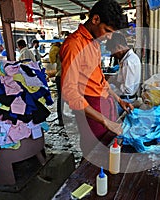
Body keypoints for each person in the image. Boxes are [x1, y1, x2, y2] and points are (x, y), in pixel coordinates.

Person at [59, 0, 132, 155]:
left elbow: (99, 79)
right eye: (107, 30)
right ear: (95, 19)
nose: (109, 37)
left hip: (105, 102)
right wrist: (104, 121)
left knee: (110, 147)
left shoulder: (95, 43)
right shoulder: (74, 45)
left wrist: (119, 100)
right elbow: (70, 92)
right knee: (94, 151)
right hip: (90, 109)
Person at [105, 32, 141, 115]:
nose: (112, 54)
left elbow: (128, 89)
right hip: (126, 98)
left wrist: (112, 81)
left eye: (112, 50)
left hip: (126, 99)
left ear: (119, 47)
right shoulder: (128, 59)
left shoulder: (128, 61)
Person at [49, 39, 64, 126]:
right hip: (63, 77)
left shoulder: (59, 50)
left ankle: (62, 117)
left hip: (60, 76)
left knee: (62, 98)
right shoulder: (64, 51)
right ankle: (61, 118)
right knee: (62, 98)